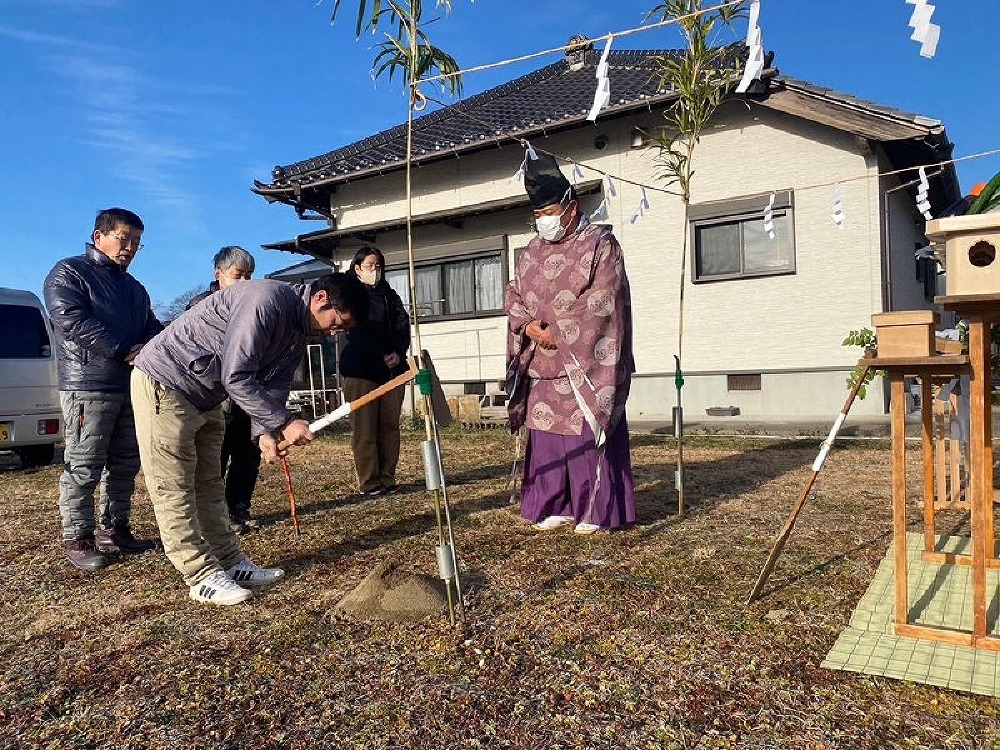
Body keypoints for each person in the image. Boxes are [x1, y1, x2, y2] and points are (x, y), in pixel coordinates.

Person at [130, 273, 367, 605]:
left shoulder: (300, 330)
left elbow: (274, 386)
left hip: (207, 394)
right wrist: (284, 423)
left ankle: (230, 561)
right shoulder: (266, 300)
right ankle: (200, 575)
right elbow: (237, 374)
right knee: (174, 485)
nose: (333, 333)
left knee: (209, 482)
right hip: (165, 382)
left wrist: (265, 433)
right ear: (321, 299)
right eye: (336, 323)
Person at [504, 152, 636, 534]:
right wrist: (528, 326)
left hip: (584, 364)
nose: (543, 221)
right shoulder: (529, 252)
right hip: (541, 364)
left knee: (584, 436)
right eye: (537, 215)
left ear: (571, 208)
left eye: (549, 211)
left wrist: (557, 331)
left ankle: (593, 508)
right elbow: (513, 293)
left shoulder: (601, 245)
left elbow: (604, 299)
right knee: (546, 439)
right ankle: (552, 502)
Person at [43, 207, 163, 572]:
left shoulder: (134, 288)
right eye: (123, 239)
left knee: (126, 462)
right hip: (88, 383)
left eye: (136, 243)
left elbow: (152, 328)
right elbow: (71, 320)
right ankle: (78, 536)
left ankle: (116, 528)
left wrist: (157, 348)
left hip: (131, 384)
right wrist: (124, 348)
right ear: (99, 237)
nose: (129, 247)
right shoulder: (69, 272)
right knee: (84, 463)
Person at [187, 246, 261, 533]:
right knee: (214, 457)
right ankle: (212, 515)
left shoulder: (254, 306)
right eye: (237, 275)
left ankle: (239, 508)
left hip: (248, 393)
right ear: (219, 274)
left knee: (248, 454)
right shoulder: (200, 306)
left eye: (249, 275)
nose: (244, 282)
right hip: (213, 396)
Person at [339, 245, 411, 496]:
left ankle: (388, 478)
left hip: (392, 370)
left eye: (378, 265)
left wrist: (397, 353)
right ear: (357, 269)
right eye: (370, 266)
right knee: (365, 428)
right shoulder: (350, 296)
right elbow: (355, 331)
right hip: (361, 370)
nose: (375, 270)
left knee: (389, 426)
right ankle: (369, 482)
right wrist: (381, 352)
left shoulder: (389, 295)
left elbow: (403, 325)